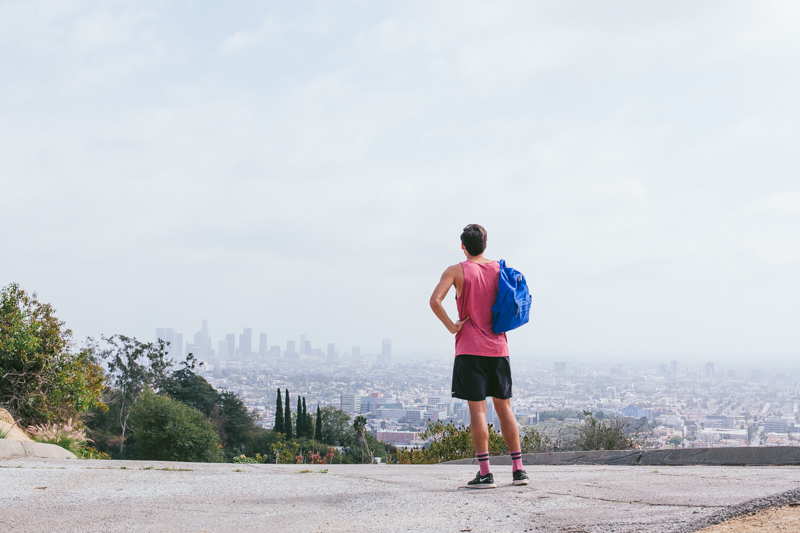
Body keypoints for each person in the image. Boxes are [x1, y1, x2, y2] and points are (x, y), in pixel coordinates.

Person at [429, 224, 528, 489]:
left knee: (478, 412)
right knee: (504, 407)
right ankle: (518, 470)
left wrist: (453, 326)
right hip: (498, 349)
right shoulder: (500, 270)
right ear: (485, 244)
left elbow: (434, 301)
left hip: (470, 349)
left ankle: (485, 473)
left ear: (463, 245)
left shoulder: (456, 271)